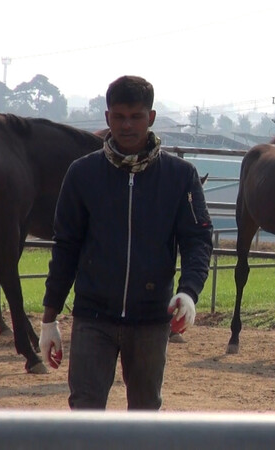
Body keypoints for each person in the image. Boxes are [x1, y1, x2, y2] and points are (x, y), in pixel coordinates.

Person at [38, 75, 213, 410]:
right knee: (85, 413)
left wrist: (189, 292)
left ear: (151, 118)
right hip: (93, 317)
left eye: (135, 116)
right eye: (119, 116)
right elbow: (65, 248)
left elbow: (197, 240)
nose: (127, 125)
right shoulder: (82, 174)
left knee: (145, 416)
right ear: (107, 118)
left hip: (151, 320)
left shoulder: (181, 177)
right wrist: (50, 319)